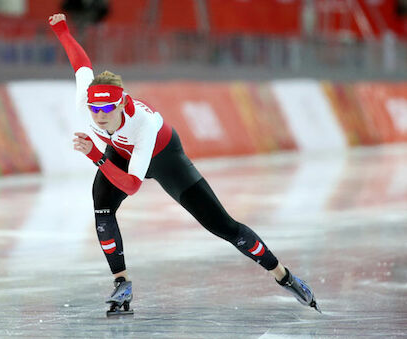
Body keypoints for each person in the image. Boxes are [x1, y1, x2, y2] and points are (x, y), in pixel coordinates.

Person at [48, 13, 320, 316]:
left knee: (223, 226)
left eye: (106, 108)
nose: (98, 115)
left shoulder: (142, 124)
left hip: (164, 156)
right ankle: (121, 282)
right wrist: (62, 31)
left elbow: (132, 186)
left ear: (122, 103)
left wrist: (95, 155)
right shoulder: (86, 103)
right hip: (122, 153)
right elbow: (80, 63)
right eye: (94, 108)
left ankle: (283, 275)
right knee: (101, 204)